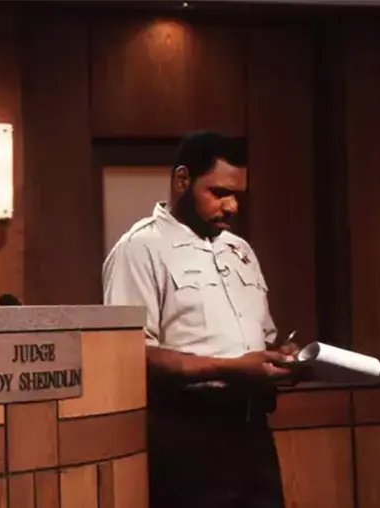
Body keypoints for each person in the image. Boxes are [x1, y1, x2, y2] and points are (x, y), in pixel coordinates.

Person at [102, 131, 299, 508]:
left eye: (237, 195)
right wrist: (234, 368)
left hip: (253, 430)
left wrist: (281, 357)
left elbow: (261, 339)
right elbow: (131, 353)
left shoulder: (240, 250)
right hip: (189, 435)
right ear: (182, 180)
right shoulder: (140, 249)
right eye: (219, 192)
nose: (232, 206)